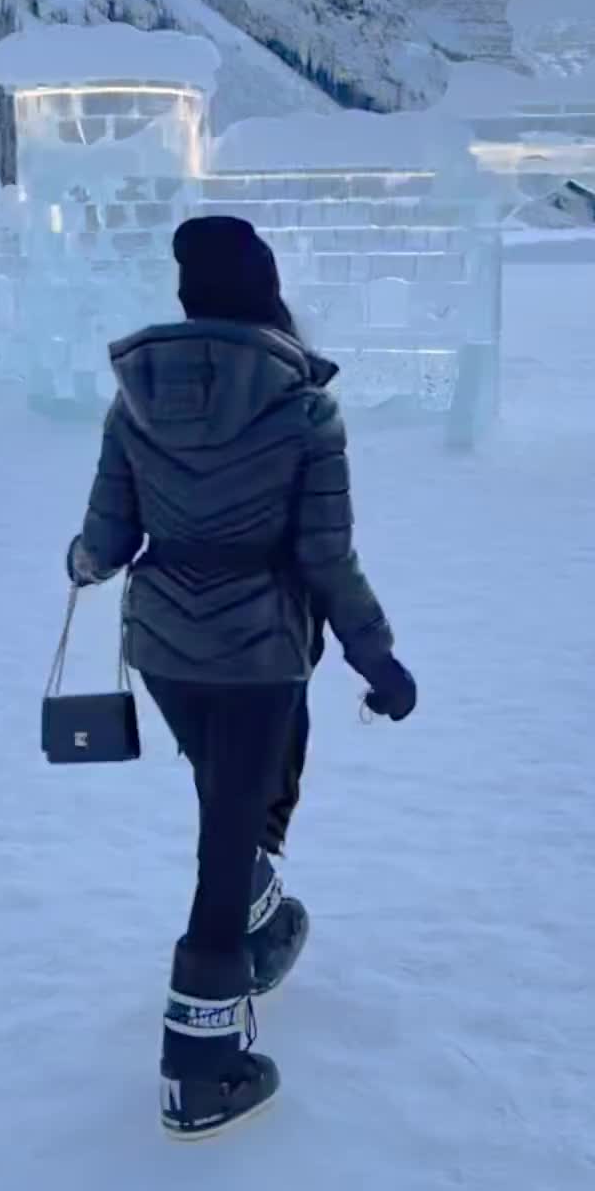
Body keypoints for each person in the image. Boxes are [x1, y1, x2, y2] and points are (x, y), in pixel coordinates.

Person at [66, 215, 416, 1140]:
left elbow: (105, 539)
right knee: (228, 834)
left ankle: (258, 917)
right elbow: (327, 557)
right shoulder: (303, 405)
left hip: (169, 647)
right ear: (266, 290)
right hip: (260, 650)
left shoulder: (134, 396)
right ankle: (201, 1065)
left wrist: (82, 560)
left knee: (234, 796)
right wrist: (376, 659)